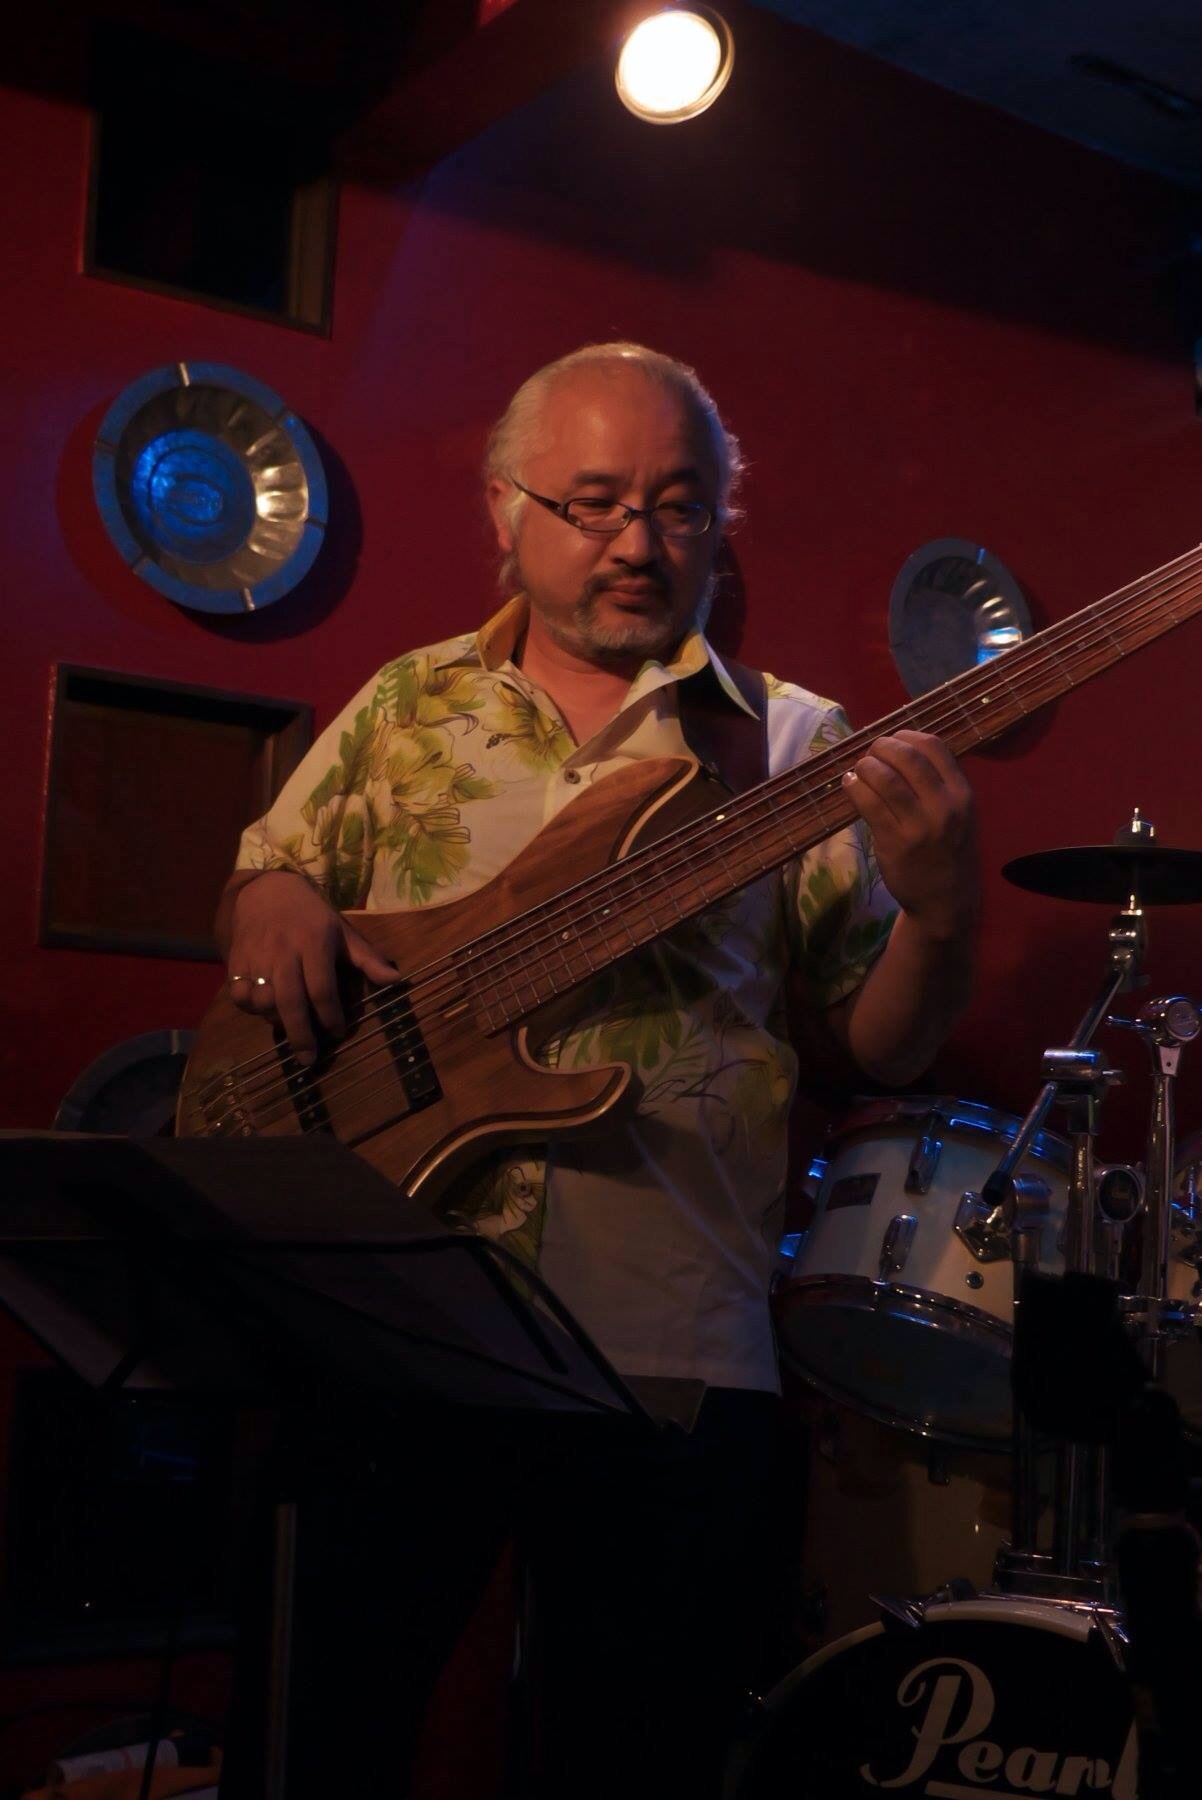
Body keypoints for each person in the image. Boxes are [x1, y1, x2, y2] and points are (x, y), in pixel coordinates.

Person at [215, 343, 978, 1798]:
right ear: (505, 510)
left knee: (631, 1766)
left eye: (678, 506)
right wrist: (268, 900)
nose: (638, 541)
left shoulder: (792, 742)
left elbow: (884, 1043)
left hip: (669, 1347)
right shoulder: (403, 706)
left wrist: (942, 920)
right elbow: (266, 887)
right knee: (317, 1741)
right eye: (595, 501)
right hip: (387, 1324)